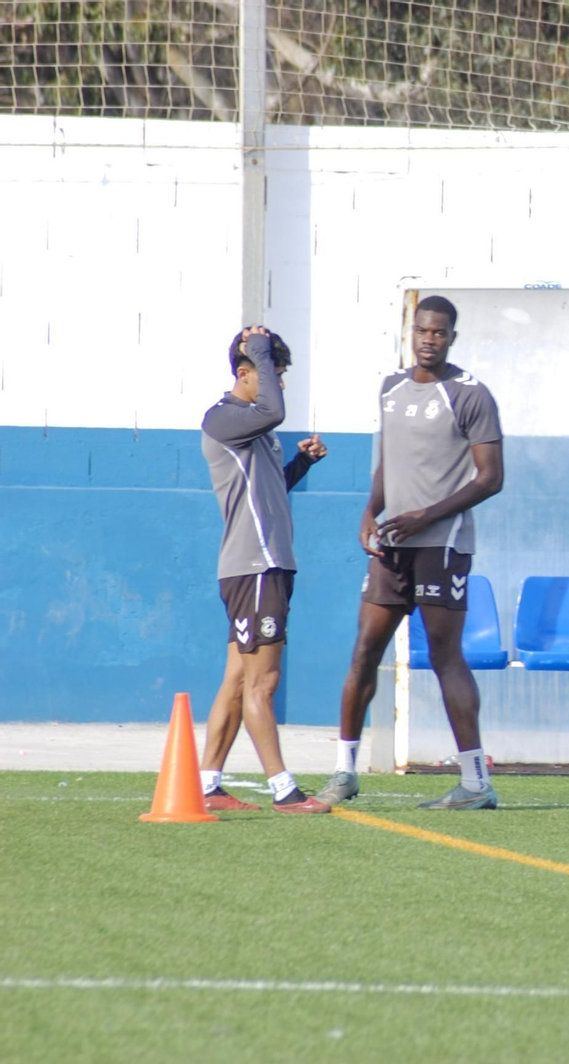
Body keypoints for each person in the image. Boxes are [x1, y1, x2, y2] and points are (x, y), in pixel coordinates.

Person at [316, 295, 505, 810]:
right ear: (412, 333)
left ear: (451, 337)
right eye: (422, 331)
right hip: (391, 547)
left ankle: (474, 783)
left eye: (439, 333)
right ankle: (344, 772)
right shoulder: (390, 389)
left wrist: (429, 515)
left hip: (441, 545)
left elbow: (492, 479)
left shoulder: (470, 395)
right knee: (364, 652)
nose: (429, 339)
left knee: (445, 656)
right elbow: (388, 464)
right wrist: (368, 513)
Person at [198, 325, 330, 814]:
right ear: (245, 373)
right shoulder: (225, 418)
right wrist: (256, 346)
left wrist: (300, 464)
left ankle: (208, 785)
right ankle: (284, 790)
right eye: (272, 374)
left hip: (262, 565)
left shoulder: (257, 432)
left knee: (237, 679)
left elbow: (268, 491)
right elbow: (275, 408)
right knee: (263, 683)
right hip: (255, 567)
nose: (279, 385)